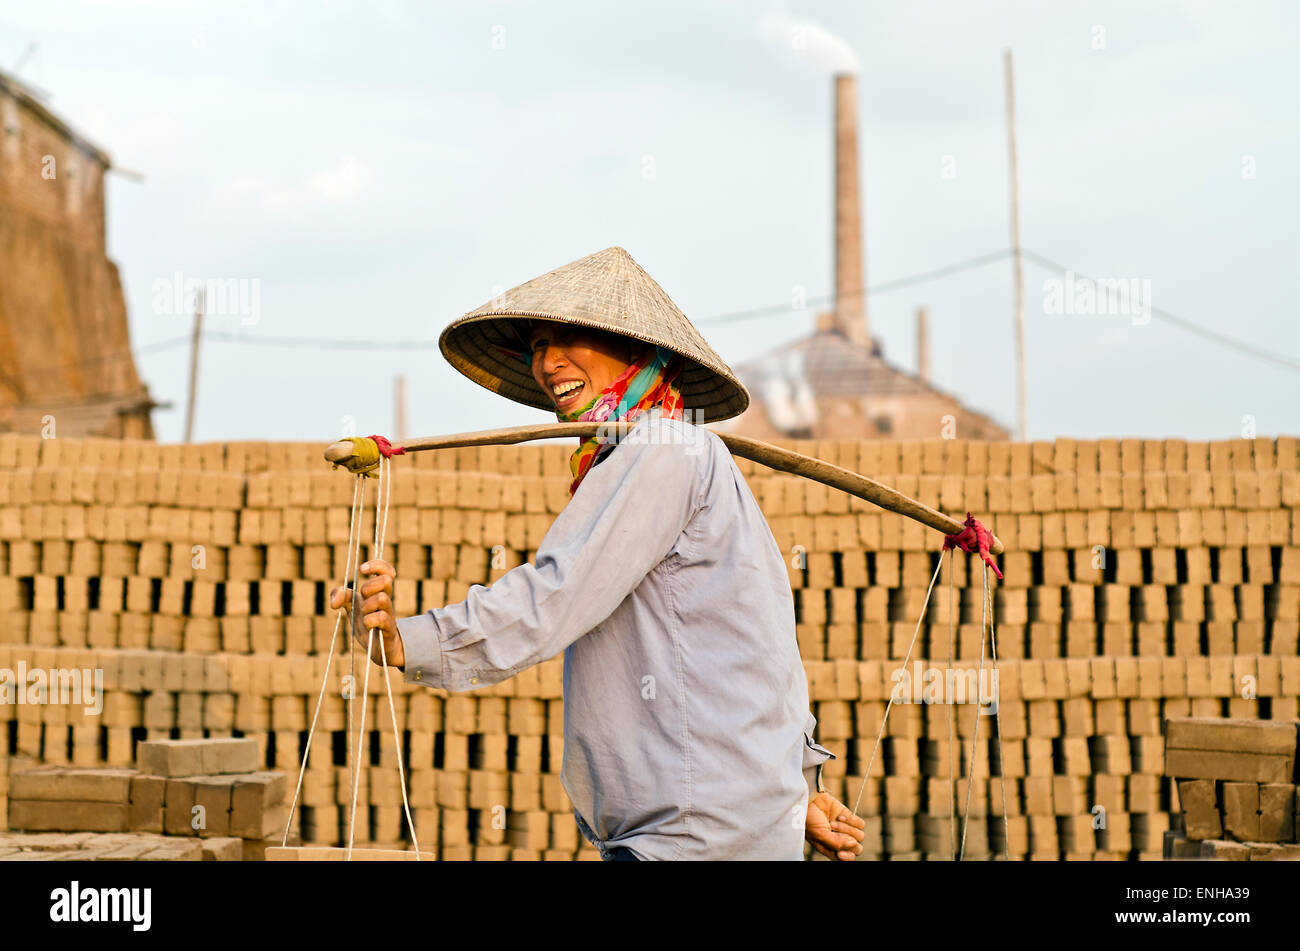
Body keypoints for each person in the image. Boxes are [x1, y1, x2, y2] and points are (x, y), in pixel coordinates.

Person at [331, 246, 865, 861]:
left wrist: (412, 642)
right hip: (722, 825)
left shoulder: (664, 448)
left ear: (638, 352)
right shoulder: (682, 454)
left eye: (571, 339)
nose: (548, 362)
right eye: (537, 346)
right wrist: (787, 792)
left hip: (690, 838)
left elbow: (558, 592)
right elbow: (761, 649)